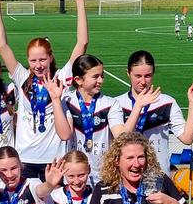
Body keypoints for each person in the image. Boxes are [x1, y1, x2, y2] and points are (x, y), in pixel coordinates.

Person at [0, 0, 89, 181]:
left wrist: (79, 1)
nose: (38, 64)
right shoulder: (22, 77)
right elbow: (1, 45)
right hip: (24, 160)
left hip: (55, 161)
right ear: (28, 61)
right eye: (33, 60)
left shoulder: (62, 78)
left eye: (43, 59)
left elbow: (82, 43)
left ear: (50, 58)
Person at [48, 54, 134, 184]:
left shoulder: (110, 103)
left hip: (104, 176)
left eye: (102, 76)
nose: (100, 80)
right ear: (78, 80)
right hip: (74, 177)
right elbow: (65, 134)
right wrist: (55, 100)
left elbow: (121, 137)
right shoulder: (67, 101)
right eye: (95, 76)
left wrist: (138, 106)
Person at [115, 50, 193, 174]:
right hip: (127, 177)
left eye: (148, 76)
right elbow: (121, 140)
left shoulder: (166, 102)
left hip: (158, 177)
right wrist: (138, 106)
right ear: (128, 73)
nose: (143, 81)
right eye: (138, 76)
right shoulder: (117, 104)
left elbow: (187, 138)